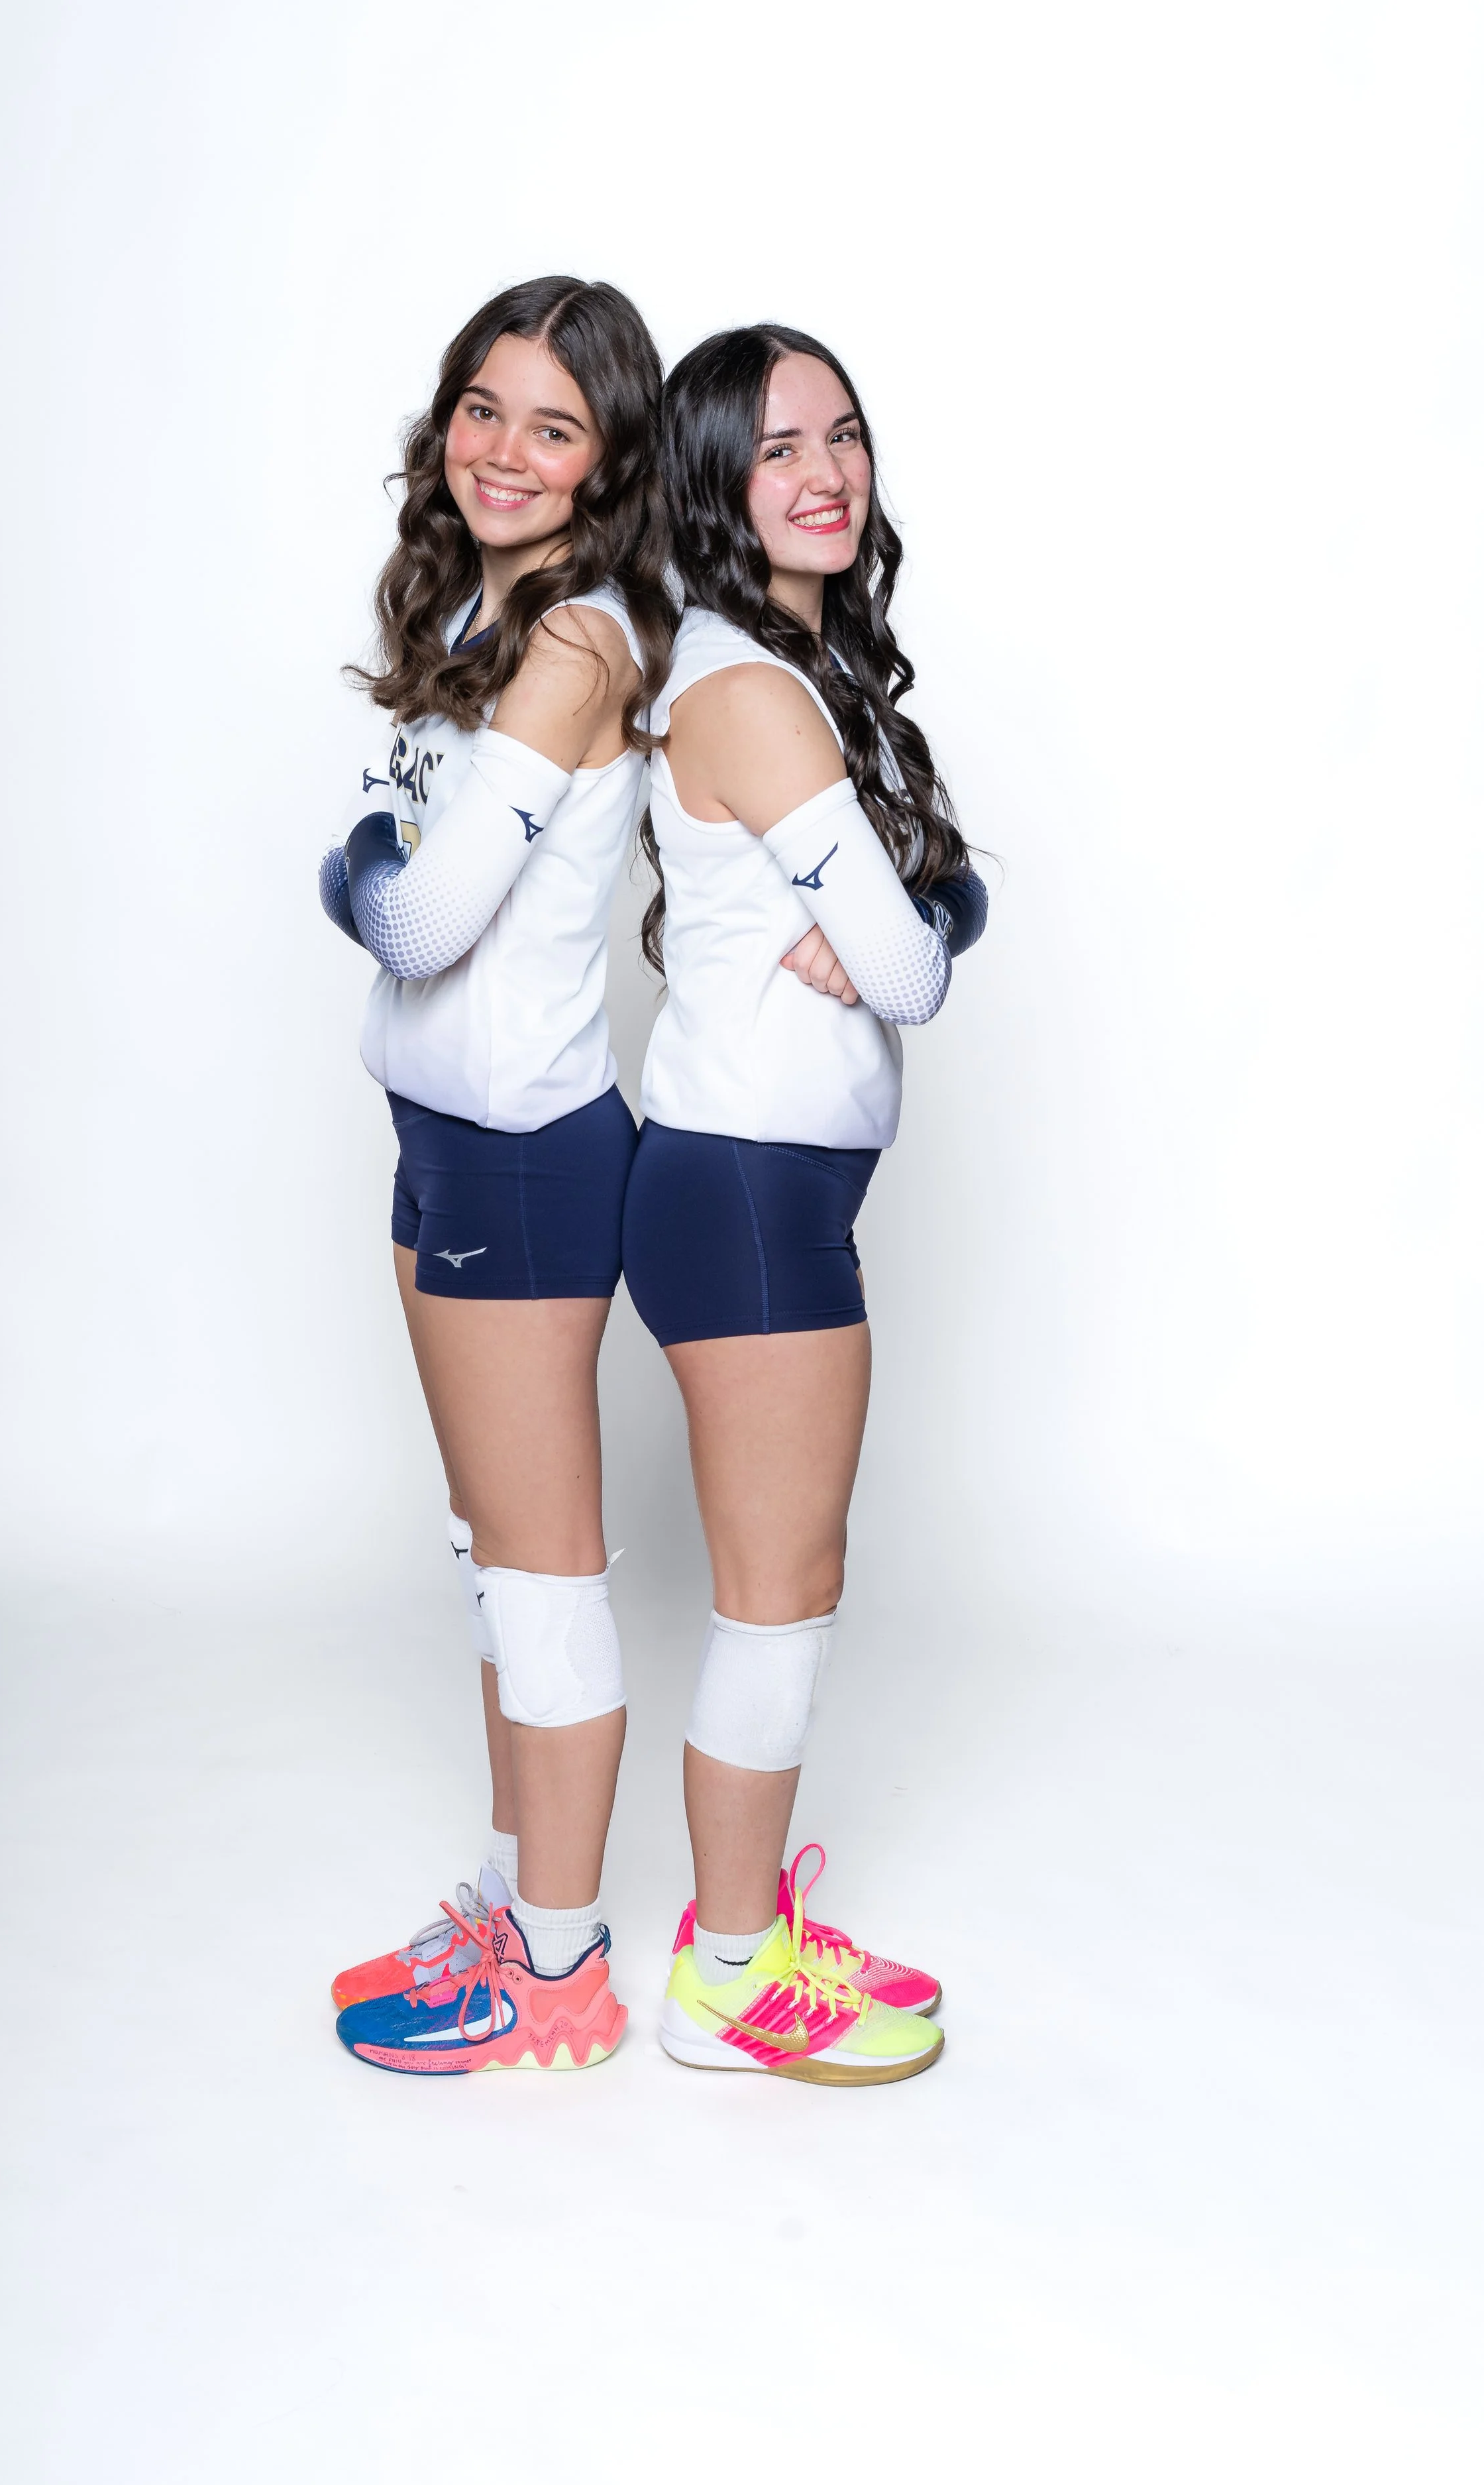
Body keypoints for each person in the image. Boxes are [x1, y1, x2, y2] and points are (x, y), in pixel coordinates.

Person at [621, 324, 988, 2085]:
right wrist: (904, 922)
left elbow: (936, 907)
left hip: (769, 1185)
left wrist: (913, 912)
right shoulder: (748, 693)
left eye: (840, 434)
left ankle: (746, 1929)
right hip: (746, 1189)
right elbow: (912, 966)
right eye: (775, 448)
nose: (825, 472)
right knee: (778, 1592)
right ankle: (727, 1978)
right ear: (712, 479)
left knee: (790, 1578)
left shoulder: (800, 668)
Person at [317, 276, 674, 2075]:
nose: (504, 451)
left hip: (526, 1155)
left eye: (553, 425)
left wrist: (352, 871)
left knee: (541, 1574)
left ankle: (559, 1968)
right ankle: (514, 1892)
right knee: (491, 1558)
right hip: (440, 1140)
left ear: (607, 460)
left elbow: (426, 916)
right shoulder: (483, 609)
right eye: (482, 407)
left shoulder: (578, 643)